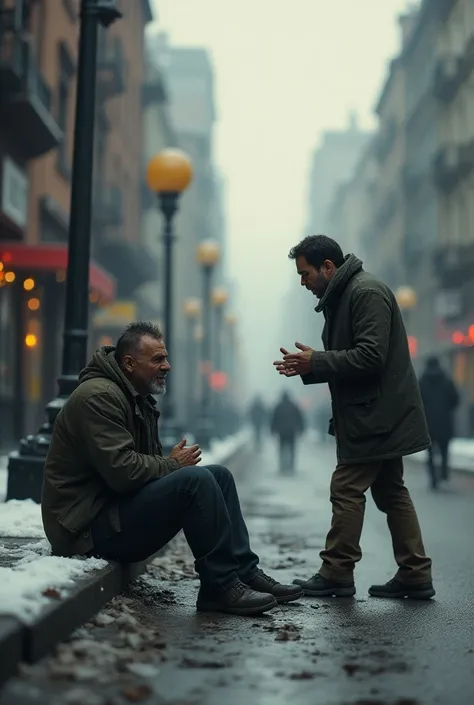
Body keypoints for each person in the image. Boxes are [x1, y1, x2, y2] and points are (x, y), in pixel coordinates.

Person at [42, 321, 303, 616]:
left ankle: (244, 572)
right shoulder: (99, 397)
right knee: (194, 479)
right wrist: (172, 464)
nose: (167, 366)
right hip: (84, 531)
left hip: (111, 510)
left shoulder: (134, 396)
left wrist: (169, 466)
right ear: (129, 363)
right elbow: (123, 473)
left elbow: (138, 471)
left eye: (165, 357)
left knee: (218, 476)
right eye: (157, 359)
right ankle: (220, 586)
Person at [273, 235, 435, 600]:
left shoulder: (365, 293)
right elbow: (354, 356)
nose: (303, 282)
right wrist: (310, 367)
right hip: (374, 412)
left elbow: (370, 356)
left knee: (346, 487)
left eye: (306, 274)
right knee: (391, 491)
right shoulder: (344, 295)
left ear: (328, 267)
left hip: (375, 414)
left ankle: (337, 571)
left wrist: (315, 361)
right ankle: (414, 572)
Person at [419, 356, 459, 489]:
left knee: (430, 453)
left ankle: (433, 479)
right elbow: (455, 400)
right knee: (444, 450)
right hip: (444, 422)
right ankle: (443, 473)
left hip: (427, 423)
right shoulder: (447, 381)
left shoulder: (422, 382)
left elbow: (416, 402)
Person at [270, 391, 305, 473]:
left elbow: (274, 418)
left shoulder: (278, 406)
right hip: (291, 431)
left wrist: (272, 429)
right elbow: (300, 418)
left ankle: (282, 466)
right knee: (292, 449)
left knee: (282, 449)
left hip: (281, 432)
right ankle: (291, 466)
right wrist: (301, 428)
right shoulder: (294, 405)